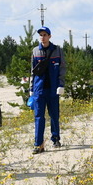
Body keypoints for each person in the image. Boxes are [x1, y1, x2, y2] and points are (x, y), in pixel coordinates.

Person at [30, 26, 66, 154]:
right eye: (41, 35)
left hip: (53, 89)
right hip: (39, 90)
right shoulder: (35, 51)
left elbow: (62, 69)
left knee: (54, 115)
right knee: (39, 116)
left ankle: (55, 138)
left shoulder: (57, 51)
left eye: (45, 35)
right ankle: (38, 144)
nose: (42, 37)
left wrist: (61, 85)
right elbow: (32, 71)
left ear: (49, 36)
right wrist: (31, 88)